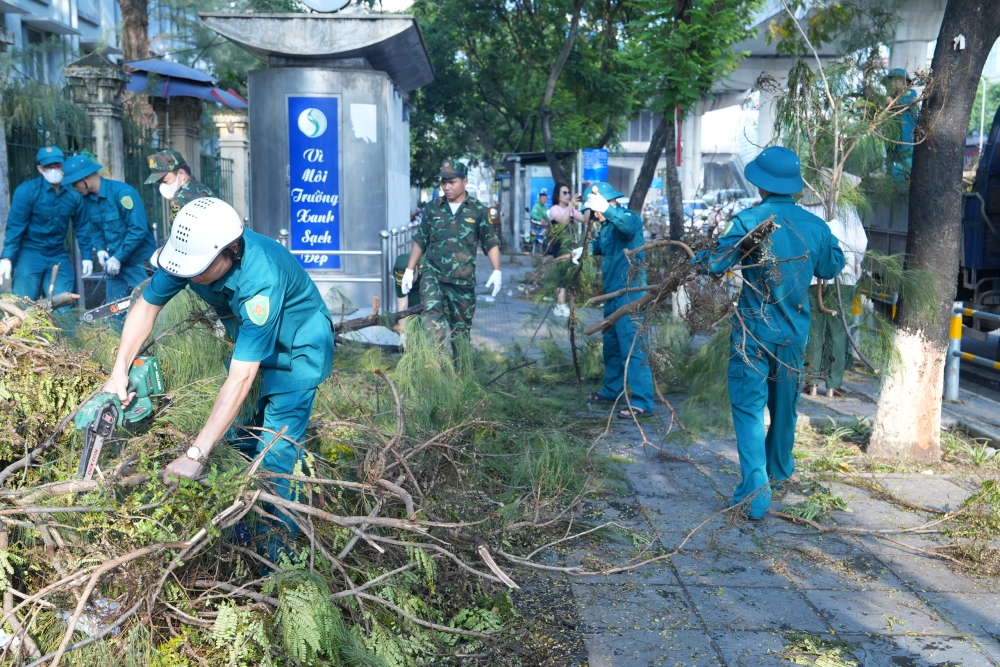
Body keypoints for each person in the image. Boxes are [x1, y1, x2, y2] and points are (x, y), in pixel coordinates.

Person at [101, 198, 335, 547]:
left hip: (297, 350)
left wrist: (195, 454)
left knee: (275, 454)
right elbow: (147, 307)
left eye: (199, 269)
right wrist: (118, 370)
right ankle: (237, 540)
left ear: (233, 250)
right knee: (236, 439)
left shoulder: (260, 277)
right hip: (248, 344)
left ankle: (276, 559)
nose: (189, 276)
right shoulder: (189, 255)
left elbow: (241, 378)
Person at [693, 147, 844, 519]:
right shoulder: (815, 225)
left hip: (753, 332)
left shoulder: (748, 220)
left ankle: (756, 493)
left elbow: (715, 263)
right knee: (784, 409)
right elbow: (830, 266)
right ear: (793, 186)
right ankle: (778, 477)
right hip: (794, 334)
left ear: (760, 183)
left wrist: (698, 257)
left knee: (747, 409)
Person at [571, 181, 655, 420]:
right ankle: (612, 391)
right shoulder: (606, 226)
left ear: (607, 201)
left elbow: (627, 228)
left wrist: (607, 210)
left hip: (632, 295)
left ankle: (642, 402)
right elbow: (604, 246)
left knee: (635, 348)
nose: (594, 214)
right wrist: (585, 249)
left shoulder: (628, 217)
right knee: (613, 347)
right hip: (613, 295)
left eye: (595, 209)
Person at [401, 160, 502, 345]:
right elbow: (420, 239)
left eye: (451, 182)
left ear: (464, 182)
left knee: (460, 335)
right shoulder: (433, 208)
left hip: (462, 281)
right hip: (433, 276)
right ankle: (435, 369)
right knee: (432, 328)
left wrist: (497, 271)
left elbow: (490, 242)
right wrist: (409, 269)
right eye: (443, 182)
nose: (446, 187)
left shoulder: (478, 210)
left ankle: (461, 372)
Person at [800, 173, 868, 398]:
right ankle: (833, 384)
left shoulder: (805, 210)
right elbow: (860, 243)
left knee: (814, 330)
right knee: (838, 331)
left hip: (811, 277)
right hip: (843, 276)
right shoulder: (848, 210)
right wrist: (855, 265)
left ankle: (811, 382)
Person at [0, 146, 93, 305]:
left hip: (57, 253)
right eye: (49, 167)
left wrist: (87, 257)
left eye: (57, 166)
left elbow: (82, 227)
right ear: (40, 168)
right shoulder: (27, 191)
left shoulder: (73, 192)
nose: (54, 170)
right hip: (29, 254)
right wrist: (7, 257)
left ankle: (62, 329)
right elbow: (15, 227)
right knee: (23, 303)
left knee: (63, 302)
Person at [62, 154, 157, 304]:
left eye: (74, 183)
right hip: (115, 265)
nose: (74, 188)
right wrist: (100, 249)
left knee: (148, 307)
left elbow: (138, 230)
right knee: (113, 309)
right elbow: (95, 227)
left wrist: (118, 257)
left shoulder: (123, 193)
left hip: (138, 263)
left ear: (85, 178)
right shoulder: (88, 199)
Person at [144, 150, 214, 222]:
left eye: (165, 181)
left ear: (181, 174)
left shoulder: (178, 201)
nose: (163, 186)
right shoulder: (201, 187)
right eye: (160, 182)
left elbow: (174, 231)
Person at [548, 182, 581, 317]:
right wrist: (571, 206)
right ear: (558, 195)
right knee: (562, 274)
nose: (568, 195)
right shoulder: (554, 209)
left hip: (570, 246)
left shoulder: (571, 210)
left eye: (569, 193)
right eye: (565, 193)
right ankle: (560, 305)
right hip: (559, 246)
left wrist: (589, 207)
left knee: (569, 274)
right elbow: (562, 220)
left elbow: (584, 219)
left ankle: (563, 303)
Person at [886, 68, 917, 181]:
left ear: (906, 82)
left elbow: (897, 102)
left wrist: (889, 100)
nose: (892, 83)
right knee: (891, 177)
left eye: (896, 80)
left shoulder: (911, 94)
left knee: (904, 175)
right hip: (891, 146)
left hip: (906, 145)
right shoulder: (888, 97)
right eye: (890, 81)